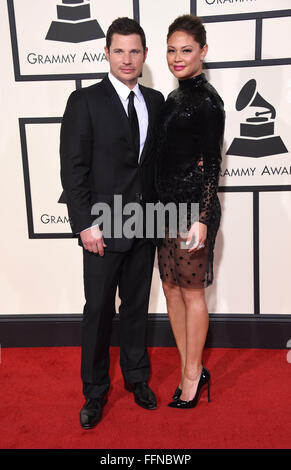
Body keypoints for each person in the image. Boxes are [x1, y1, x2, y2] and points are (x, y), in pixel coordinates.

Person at [60, 17, 164, 429]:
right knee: (99, 311)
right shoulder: (84, 102)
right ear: (106, 53)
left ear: (144, 55)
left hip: (145, 226)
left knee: (137, 308)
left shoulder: (155, 101)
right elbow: (73, 168)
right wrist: (85, 224)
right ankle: (95, 391)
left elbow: (154, 165)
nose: (127, 58)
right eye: (119, 50)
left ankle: (137, 378)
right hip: (102, 229)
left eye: (134, 51)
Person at [156, 15, 225, 409]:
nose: (177, 58)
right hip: (163, 208)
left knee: (192, 292)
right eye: (171, 50)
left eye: (186, 50)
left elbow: (213, 163)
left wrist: (202, 217)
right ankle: (190, 363)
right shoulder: (173, 98)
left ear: (203, 51)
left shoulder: (208, 101)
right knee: (170, 288)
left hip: (192, 210)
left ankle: (191, 376)